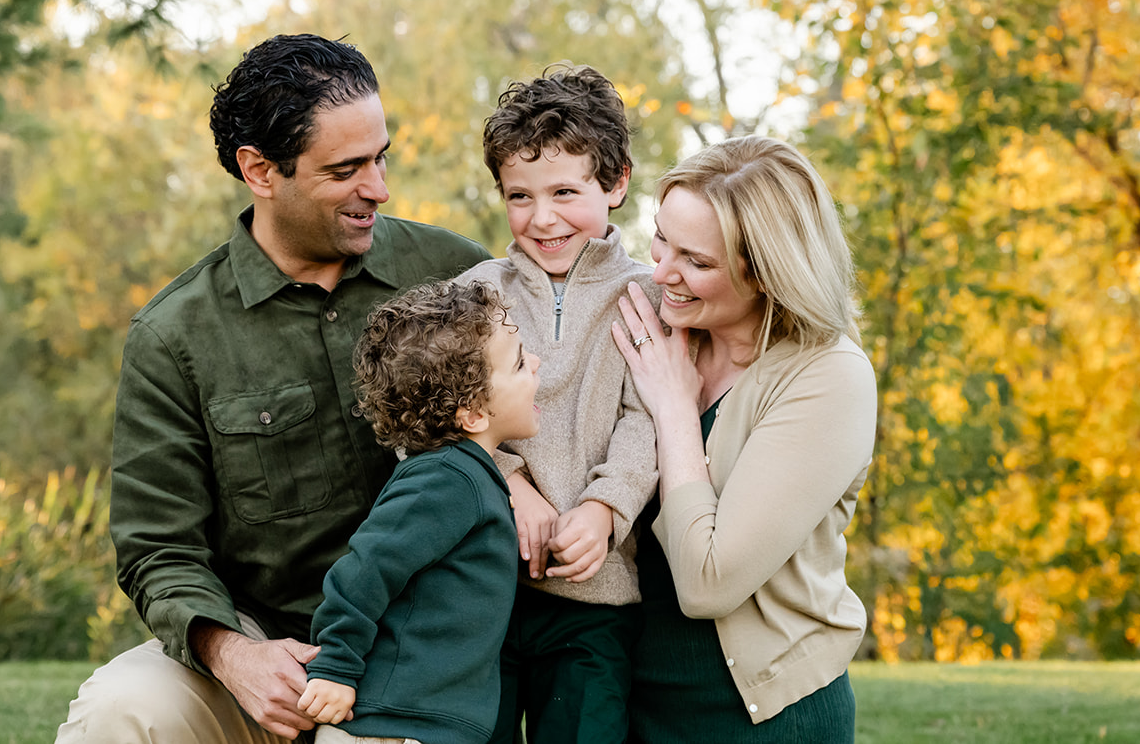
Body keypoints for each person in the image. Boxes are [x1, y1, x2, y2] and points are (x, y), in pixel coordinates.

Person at [57, 34, 489, 744]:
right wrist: (236, 656)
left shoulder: (454, 273)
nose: (378, 188)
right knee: (119, 711)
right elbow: (157, 548)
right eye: (346, 169)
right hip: (271, 647)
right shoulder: (174, 335)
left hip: (430, 654)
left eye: (381, 158)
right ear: (260, 170)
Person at [610, 135, 876, 744]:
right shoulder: (655, 320)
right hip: (626, 700)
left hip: (761, 719)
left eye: (696, 262)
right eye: (659, 239)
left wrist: (676, 409)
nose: (661, 273)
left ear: (764, 272)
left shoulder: (828, 375)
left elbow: (710, 583)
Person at [455, 66, 658, 744]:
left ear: (617, 182)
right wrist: (509, 480)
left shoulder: (650, 296)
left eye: (565, 191)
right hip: (484, 589)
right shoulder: (478, 293)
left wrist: (605, 507)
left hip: (595, 599)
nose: (542, 218)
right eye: (520, 195)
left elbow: (651, 418)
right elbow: (424, 418)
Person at [298, 279, 538, 744]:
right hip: (388, 729)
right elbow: (367, 569)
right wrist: (334, 666)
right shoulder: (445, 479)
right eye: (521, 363)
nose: (537, 368)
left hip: (424, 725)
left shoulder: (467, 476)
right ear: (473, 414)